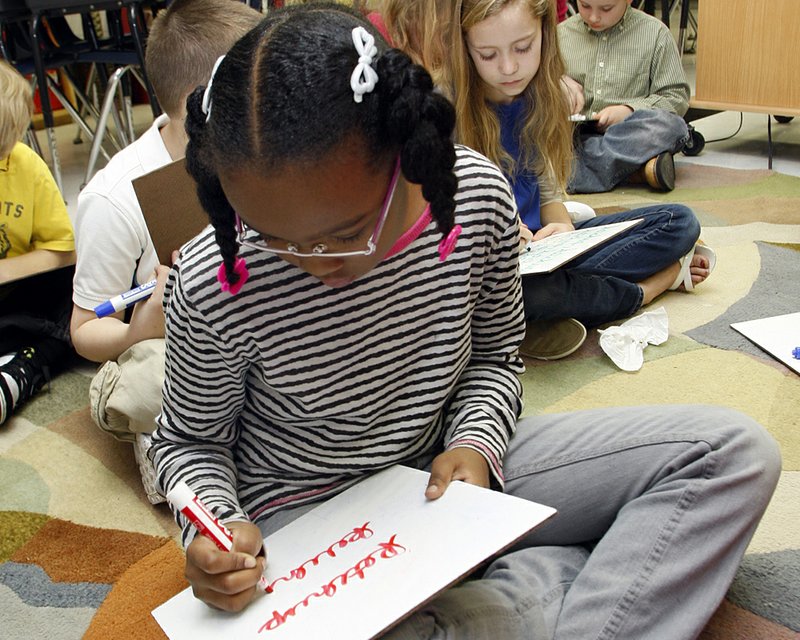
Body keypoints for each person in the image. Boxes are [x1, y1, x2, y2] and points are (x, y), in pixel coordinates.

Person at [149, 5, 780, 639]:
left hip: (445, 467)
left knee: (729, 455)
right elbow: (189, 442)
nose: (315, 264)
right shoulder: (216, 274)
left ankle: (508, 590)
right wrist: (215, 529)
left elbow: (495, 358)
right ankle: (539, 579)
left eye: (343, 236)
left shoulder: (475, 199)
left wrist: (476, 444)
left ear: (406, 154)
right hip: (307, 510)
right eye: (271, 237)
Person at [69, 0, 262, 501]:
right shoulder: (115, 197)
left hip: (247, 324)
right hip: (160, 346)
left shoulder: (262, 154)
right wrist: (141, 327)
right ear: (207, 100)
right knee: (155, 378)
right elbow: (85, 328)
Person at [448, 0, 714, 360]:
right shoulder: (449, 109)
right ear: (465, 48)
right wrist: (505, 234)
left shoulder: (539, 97)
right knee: (531, 294)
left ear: (545, 35)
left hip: (539, 251)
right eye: (488, 54)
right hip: (495, 268)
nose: (509, 67)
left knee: (678, 222)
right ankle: (650, 287)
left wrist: (561, 228)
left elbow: (548, 193)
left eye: (523, 48)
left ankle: (548, 314)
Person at [0, 60, 76, 425]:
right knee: (63, 331)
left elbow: (62, 254)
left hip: (17, 298)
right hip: (21, 322)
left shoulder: (25, 164)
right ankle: (34, 359)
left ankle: (20, 372)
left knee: (80, 289)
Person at [558, 0, 691, 192]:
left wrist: (628, 110)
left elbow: (675, 97)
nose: (594, 17)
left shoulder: (655, 34)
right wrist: (557, 83)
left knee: (673, 126)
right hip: (570, 135)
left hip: (627, 132)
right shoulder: (559, 35)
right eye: (585, 6)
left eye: (606, 8)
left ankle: (574, 173)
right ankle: (634, 169)